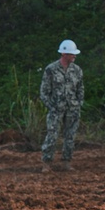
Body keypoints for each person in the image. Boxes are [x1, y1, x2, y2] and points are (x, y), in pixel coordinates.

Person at [40, 40, 84, 172]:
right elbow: (44, 91)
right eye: (72, 54)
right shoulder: (51, 69)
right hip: (56, 110)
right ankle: (46, 163)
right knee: (52, 135)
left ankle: (67, 162)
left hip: (72, 109)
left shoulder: (77, 70)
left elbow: (80, 89)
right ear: (64, 54)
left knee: (70, 136)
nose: (75, 56)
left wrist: (78, 104)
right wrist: (51, 106)